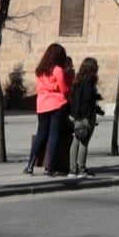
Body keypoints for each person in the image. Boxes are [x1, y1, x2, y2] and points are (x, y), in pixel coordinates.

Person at [26, 44, 74, 177]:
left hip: (42, 105)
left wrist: (51, 87)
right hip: (57, 105)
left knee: (40, 135)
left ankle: (30, 165)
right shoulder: (58, 70)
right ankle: (50, 167)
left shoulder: (40, 70)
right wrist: (62, 85)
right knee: (54, 136)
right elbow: (64, 90)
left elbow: (40, 87)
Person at [69, 56, 102, 178]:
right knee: (84, 142)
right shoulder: (88, 81)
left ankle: (72, 169)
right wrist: (95, 98)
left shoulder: (78, 80)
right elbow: (87, 99)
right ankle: (82, 169)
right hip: (86, 116)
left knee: (76, 141)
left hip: (77, 116)